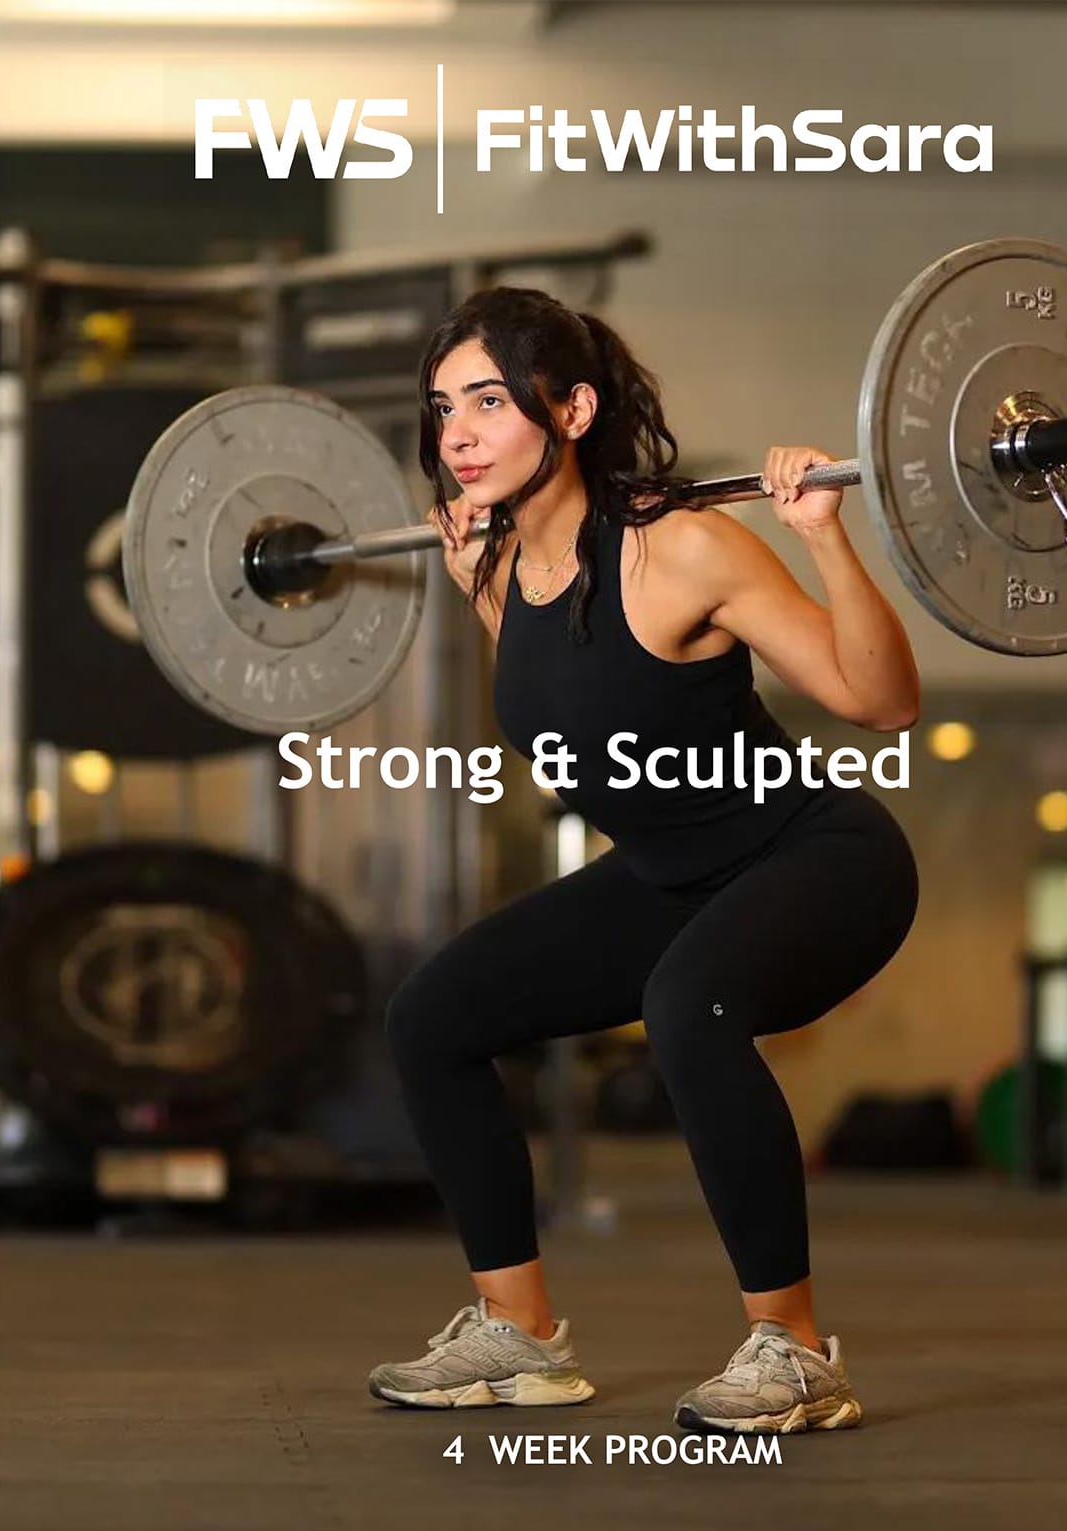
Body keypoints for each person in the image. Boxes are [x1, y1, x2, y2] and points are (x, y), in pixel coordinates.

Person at [368, 287, 920, 1436]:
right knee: (433, 1015)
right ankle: (515, 1332)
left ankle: (798, 1352)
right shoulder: (494, 565)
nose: (455, 434)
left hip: (816, 851)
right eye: (440, 409)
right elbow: (575, 710)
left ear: (569, 409)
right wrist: (475, 565)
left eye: (484, 401)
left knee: (688, 1002)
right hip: (670, 872)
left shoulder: (685, 549)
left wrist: (825, 535)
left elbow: (882, 702)